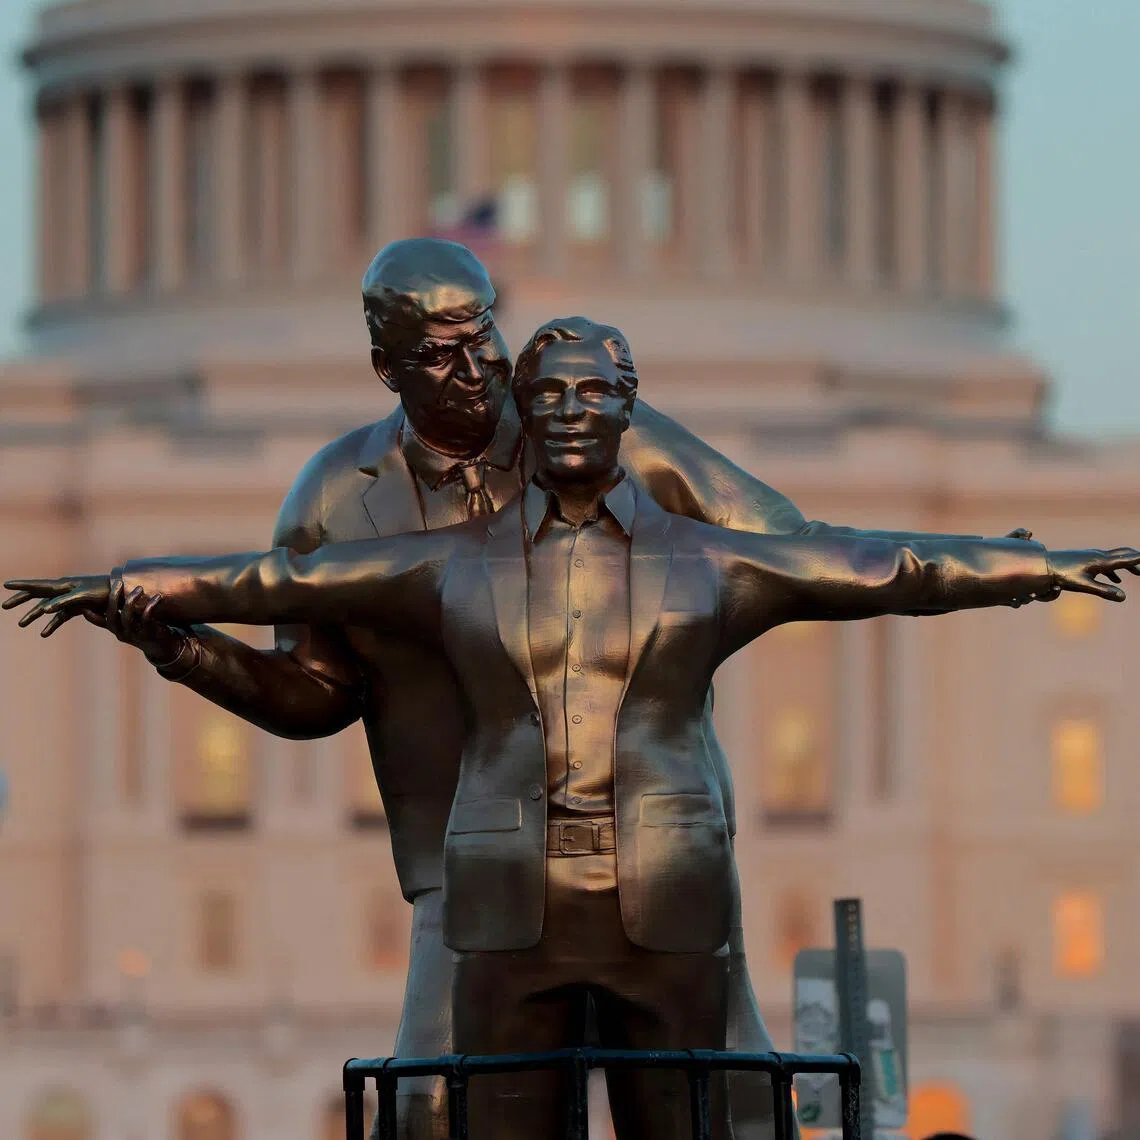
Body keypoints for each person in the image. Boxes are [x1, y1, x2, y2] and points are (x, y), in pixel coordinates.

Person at [7, 317, 1137, 1140]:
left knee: (685, 1119)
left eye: (592, 396)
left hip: (667, 886)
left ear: (630, 412)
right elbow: (267, 578)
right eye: (545, 398)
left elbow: (895, 565)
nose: (566, 416)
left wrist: (1037, 566)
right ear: (523, 418)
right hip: (502, 896)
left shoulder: (713, 557)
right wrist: (136, 593)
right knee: (480, 1122)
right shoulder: (450, 563)